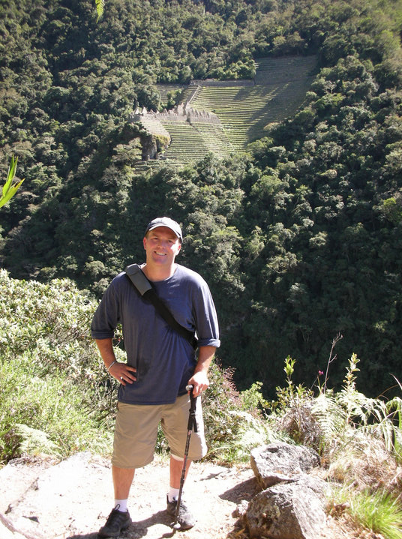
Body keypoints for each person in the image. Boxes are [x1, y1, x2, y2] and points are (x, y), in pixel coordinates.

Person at [91, 217, 220, 538]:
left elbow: (209, 338)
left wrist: (201, 371)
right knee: (125, 454)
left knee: (183, 449)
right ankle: (120, 509)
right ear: (145, 243)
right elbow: (101, 329)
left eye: (169, 241)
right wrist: (112, 364)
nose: (162, 246)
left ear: (179, 246)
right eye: (155, 239)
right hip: (137, 389)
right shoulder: (122, 285)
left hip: (181, 389)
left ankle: (175, 500)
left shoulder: (193, 285)